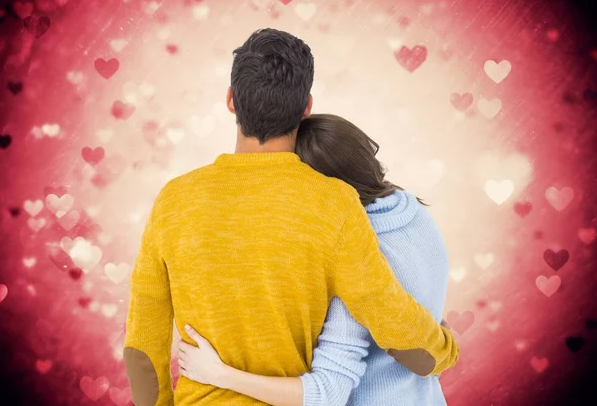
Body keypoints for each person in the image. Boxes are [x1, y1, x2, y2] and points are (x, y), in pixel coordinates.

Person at [123, 29, 459, 406]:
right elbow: (389, 318)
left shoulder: (173, 200)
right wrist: (445, 349)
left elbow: (143, 348)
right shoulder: (335, 203)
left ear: (231, 101)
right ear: (306, 107)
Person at [177, 114, 451, 406]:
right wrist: (445, 345)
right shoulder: (412, 211)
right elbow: (427, 319)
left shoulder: (357, 261)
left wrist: (219, 374)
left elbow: (325, 394)